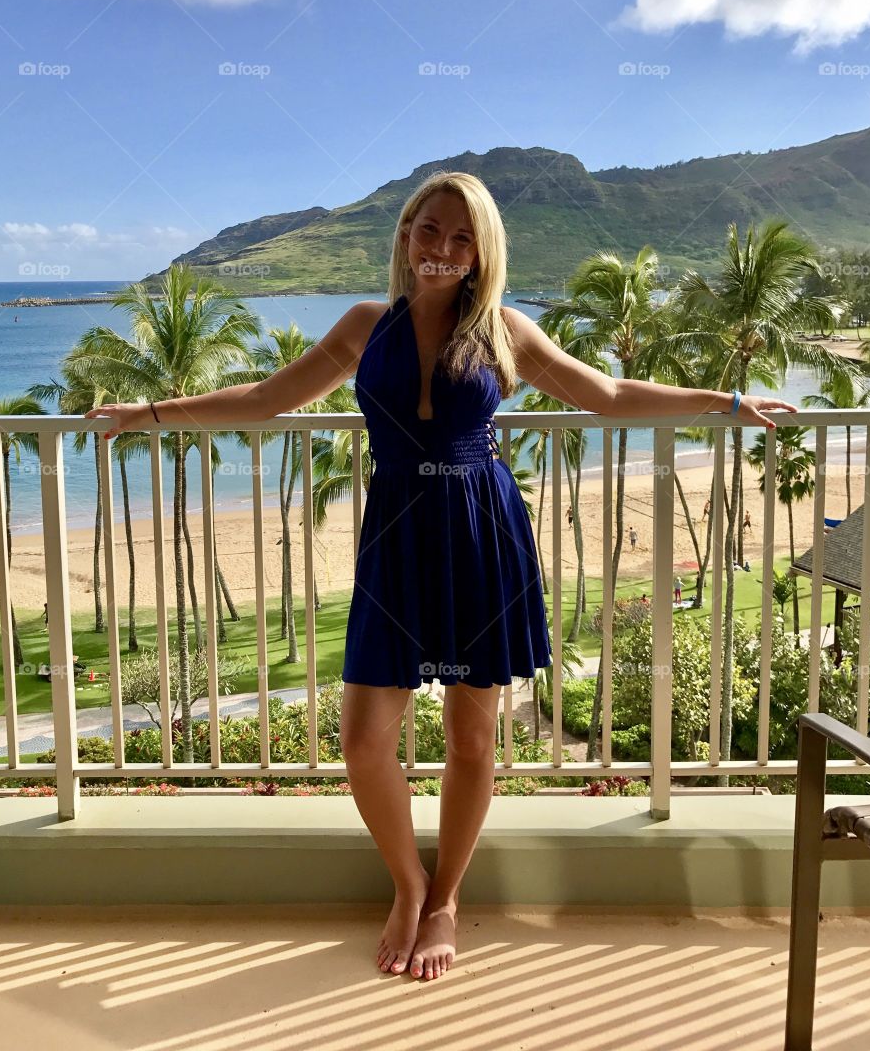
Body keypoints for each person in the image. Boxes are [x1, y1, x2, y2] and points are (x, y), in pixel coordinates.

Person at [86, 171, 795, 983]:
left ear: (480, 251)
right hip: (396, 538)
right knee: (362, 741)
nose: (443, 250)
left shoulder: (504, 331)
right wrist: (146, 415)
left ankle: (447, 897)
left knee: (471, 736)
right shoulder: (363, 327)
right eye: (430, 231)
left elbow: (607, 395)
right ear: (405, 235)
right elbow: (268, 397)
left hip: (480, 533)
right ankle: (408, 881)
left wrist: (724, 401)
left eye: (462, 238)